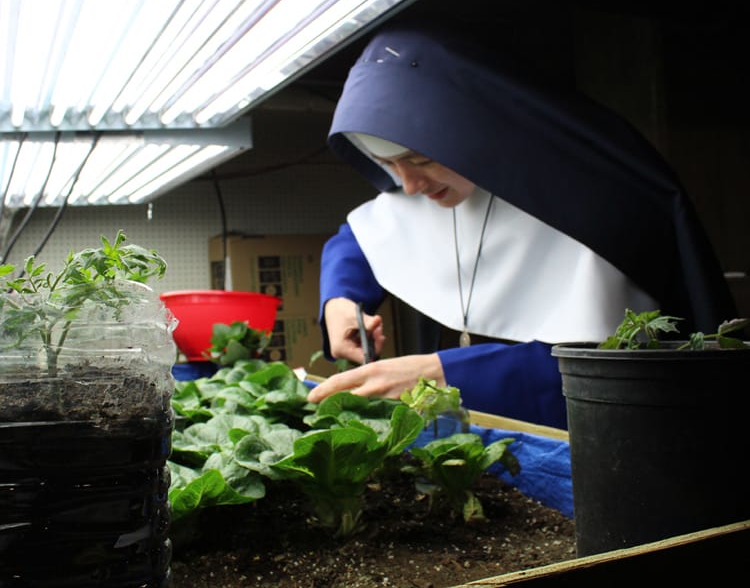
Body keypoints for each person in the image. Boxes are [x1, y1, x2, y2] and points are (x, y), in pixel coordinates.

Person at [309, 22, 736, 429]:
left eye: (422, 160)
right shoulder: (428, 186)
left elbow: (612, 368)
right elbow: (360, 239)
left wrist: (442, 374)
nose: (409, 184)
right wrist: (341, 301)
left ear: (472, 132)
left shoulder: (597, 207)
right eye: (386, 164)